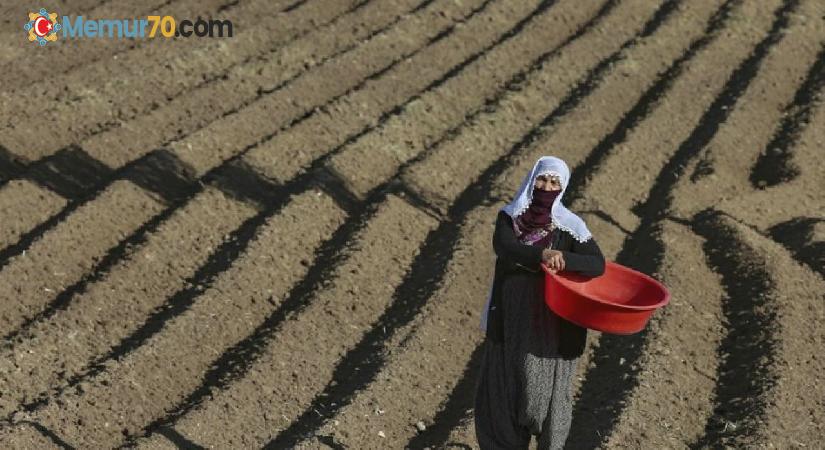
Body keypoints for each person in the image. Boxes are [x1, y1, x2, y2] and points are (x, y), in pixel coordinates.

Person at [474, 156, 606, 449]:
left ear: (563, 187)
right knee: (507, 385)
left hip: (551, 318)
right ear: (532, 179)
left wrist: (565, 259)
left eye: (554, 182)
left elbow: (597, 265)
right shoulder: (510, 216)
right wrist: (540, 256)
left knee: (541, 391)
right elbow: (505, 246)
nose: (547, 186)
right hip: (511, 313)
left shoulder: (569, 225)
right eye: (542, 179)